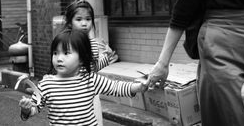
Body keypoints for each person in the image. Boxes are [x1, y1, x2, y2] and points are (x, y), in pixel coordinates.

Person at [18, 29, 147, 125]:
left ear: (81, 59)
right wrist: (27, 109)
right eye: (55, 53)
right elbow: (35, 109)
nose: (59, 58)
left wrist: (139, 86)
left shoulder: (90, 79)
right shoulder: (46, 84)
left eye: (66, 53)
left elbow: (116, 87)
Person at [62, 0, 118, 125]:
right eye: (79, 19)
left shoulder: (92, 43)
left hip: (90, 93)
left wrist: (108, 59)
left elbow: (92, 69)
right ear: (70, 22)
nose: (84, 23)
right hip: (71, 93)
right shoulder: (65, 43)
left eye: (88, 19)